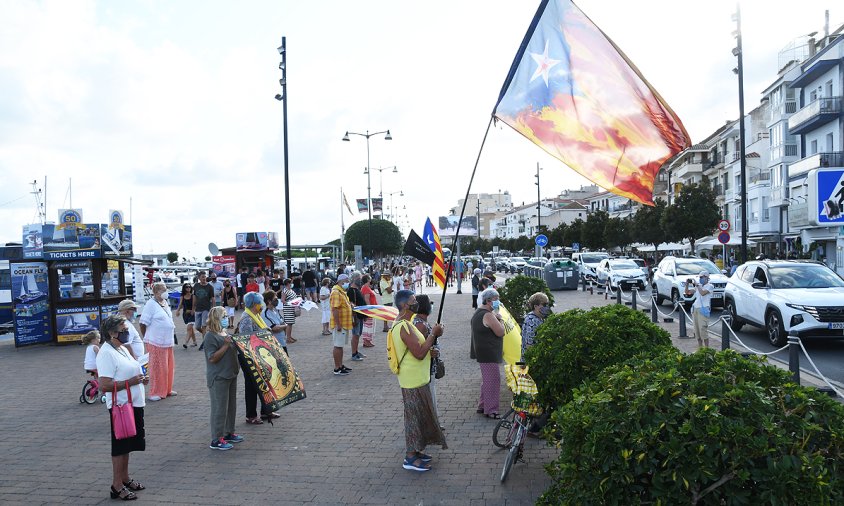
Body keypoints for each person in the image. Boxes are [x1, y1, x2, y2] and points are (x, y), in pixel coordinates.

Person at [392, 290, 446, 472]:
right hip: (412, 380)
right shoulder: (403, 327)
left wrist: (429, 348)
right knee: (413, 419)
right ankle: (410, 457)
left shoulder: (408, 324)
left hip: (418, 378)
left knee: (420, 417)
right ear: (405, 305)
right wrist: (434, 334)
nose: (416, 303)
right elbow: (419, 352)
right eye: (413, 301)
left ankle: (416, 451)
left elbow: (419, 351)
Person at [96, 314, 149, 501]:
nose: (127, 332)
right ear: (112, 333)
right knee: (120, 446)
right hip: (121, 405)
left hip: (133, 402)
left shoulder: (122, 348)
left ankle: (125, 478)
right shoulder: (106, 353)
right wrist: (131, 382)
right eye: (123, 330)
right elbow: (105, 385)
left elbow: (132, 369)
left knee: (129, 444)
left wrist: (141, 378)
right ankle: (116, 485)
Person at [204, 306, 243, 451]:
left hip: (230, 374)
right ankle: (216, 438)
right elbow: (212, 358)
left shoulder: (224, 332)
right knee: (219, 408)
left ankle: (228, 432)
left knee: (230, 406)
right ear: (216, 318)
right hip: (219, 376)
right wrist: (226, 345)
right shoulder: (210, 336)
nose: (226, 318)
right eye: (224, 316)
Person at [238, 291, 279, 424]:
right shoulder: (247, 318)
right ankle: (251, 415)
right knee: (251, 386)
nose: (261, 305)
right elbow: (246, 339)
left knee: (265, 383)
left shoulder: (257, 316)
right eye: (259, 303)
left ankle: (266, 410)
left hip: (260, 355)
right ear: (254, 304)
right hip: (249, 356)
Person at [470, 288, 506, 418]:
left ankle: (483, 405)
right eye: (496, 299)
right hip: (488, 352)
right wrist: (500, 320)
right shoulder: (488, 315)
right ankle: (491, 410)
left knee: (488, 380)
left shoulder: (479, 312)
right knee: (493, 380)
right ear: (489, 300)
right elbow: (500, 332)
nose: (498, 302)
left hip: (482, 351)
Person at [139, 282, 176, 402]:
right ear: (155, 292)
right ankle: (155, 392)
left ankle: (167, 389)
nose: (165, 292)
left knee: (168, 367)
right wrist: (146, 337)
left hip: (167, 341)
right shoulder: (150, 304)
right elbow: (142, 323)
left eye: (165, 289)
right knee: (157, 368)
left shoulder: (165, 303)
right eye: (162, 290)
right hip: (155, 341)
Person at [412, 295, 442, 420]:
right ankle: (431, 422)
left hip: (430, 366)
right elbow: (421, 347)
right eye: (430, 303)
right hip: (426, 368)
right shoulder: (420, 324)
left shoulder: (423, 322)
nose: (432, 305)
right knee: (429, 395)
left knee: (431, 394)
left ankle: (433, 421)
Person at [330, 273, 354, 375]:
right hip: (340, 324)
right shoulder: (336, 292)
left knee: (340, 346)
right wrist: (338, 324)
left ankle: (340, 365)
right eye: (347, 281)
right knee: (338, 345)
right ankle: (337, 367)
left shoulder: (342, 292)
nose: (348, 283)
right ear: (342, 281)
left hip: (344, 323)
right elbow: (335, 309)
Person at [685, 270, 714, 348]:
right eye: (700, 277)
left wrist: (697, 285)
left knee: (703, 329)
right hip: (695, 309)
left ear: (706, 277)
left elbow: (703, 293)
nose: (700, 279)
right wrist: (687, 284)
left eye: (702, 277)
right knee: (697, 330)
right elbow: (687, 292)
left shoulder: (710, 286)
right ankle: (700, 348)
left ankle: (707, 349)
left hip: (703, 309)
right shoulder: (698, 286)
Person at [521, 292, 550, 359]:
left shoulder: (539, 317)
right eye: (544, 304)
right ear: (536, 306)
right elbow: (529, 345)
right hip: (532, 360)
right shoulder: (532, 321)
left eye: (547, 304)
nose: (547, 307)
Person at [347, 272, 367, 361]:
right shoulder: (351, 290)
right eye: (359, 278)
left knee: (358, 335)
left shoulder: (356, 289)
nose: (361, 280)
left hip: (360, 315)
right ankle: (354, 353)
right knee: (355, 335)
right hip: (356, 316)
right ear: (355, 279)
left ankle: (356, 351)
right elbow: (350, 303)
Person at [262, 290, 288, 355]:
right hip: (274, 346)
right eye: (275, 298)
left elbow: (282, 323)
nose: (277, 300)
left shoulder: (275, 310)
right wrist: (285, 326)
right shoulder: (265, 314)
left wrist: (283, 326)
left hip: (282, 342)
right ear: (269, 301)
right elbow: (275, 328)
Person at [192, 272, 214, 337]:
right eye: (202, 277)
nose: (204, 278)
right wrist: (193, 308)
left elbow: (213, 298)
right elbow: (194, 297)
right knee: (197, 327)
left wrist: (213, 308)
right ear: (199, 278)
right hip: (197, 308)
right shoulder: (196, 286)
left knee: (204, 326)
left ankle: (204, 343)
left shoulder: (210, 287)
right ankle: (206, 336)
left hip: (206, 308)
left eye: (205, 277)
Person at [175, 283, 196, 348]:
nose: (188, 288)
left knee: (189, 328)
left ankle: (185, 343)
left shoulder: (193, 296)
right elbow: (180, 304)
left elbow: (194, 305)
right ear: (184, 288)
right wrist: (178, 310)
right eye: (186, 287)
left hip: (192, 314)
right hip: (185, 314)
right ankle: (195, 342)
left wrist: (192, 311)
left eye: (189, 287)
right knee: (191, 329)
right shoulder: (182, 296)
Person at [360, 274, 377, 348]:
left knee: (369, 325)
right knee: (368, 325)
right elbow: (367, 299)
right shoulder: (366, 288)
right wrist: (370, 308)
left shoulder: (366, 287)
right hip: (369, 309)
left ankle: (368, 340)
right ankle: (366, 340)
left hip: (370, 308)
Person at [280, 278, 298, 344]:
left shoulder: (290, 290)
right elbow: (282, 300)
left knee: (291, 323)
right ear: (288, 283)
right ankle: (288, 338)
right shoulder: (285, 291)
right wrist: (289, 303)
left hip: (292, 308)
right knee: (288, 324)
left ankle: (289, 336)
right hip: (288, 308)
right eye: (291, 282)